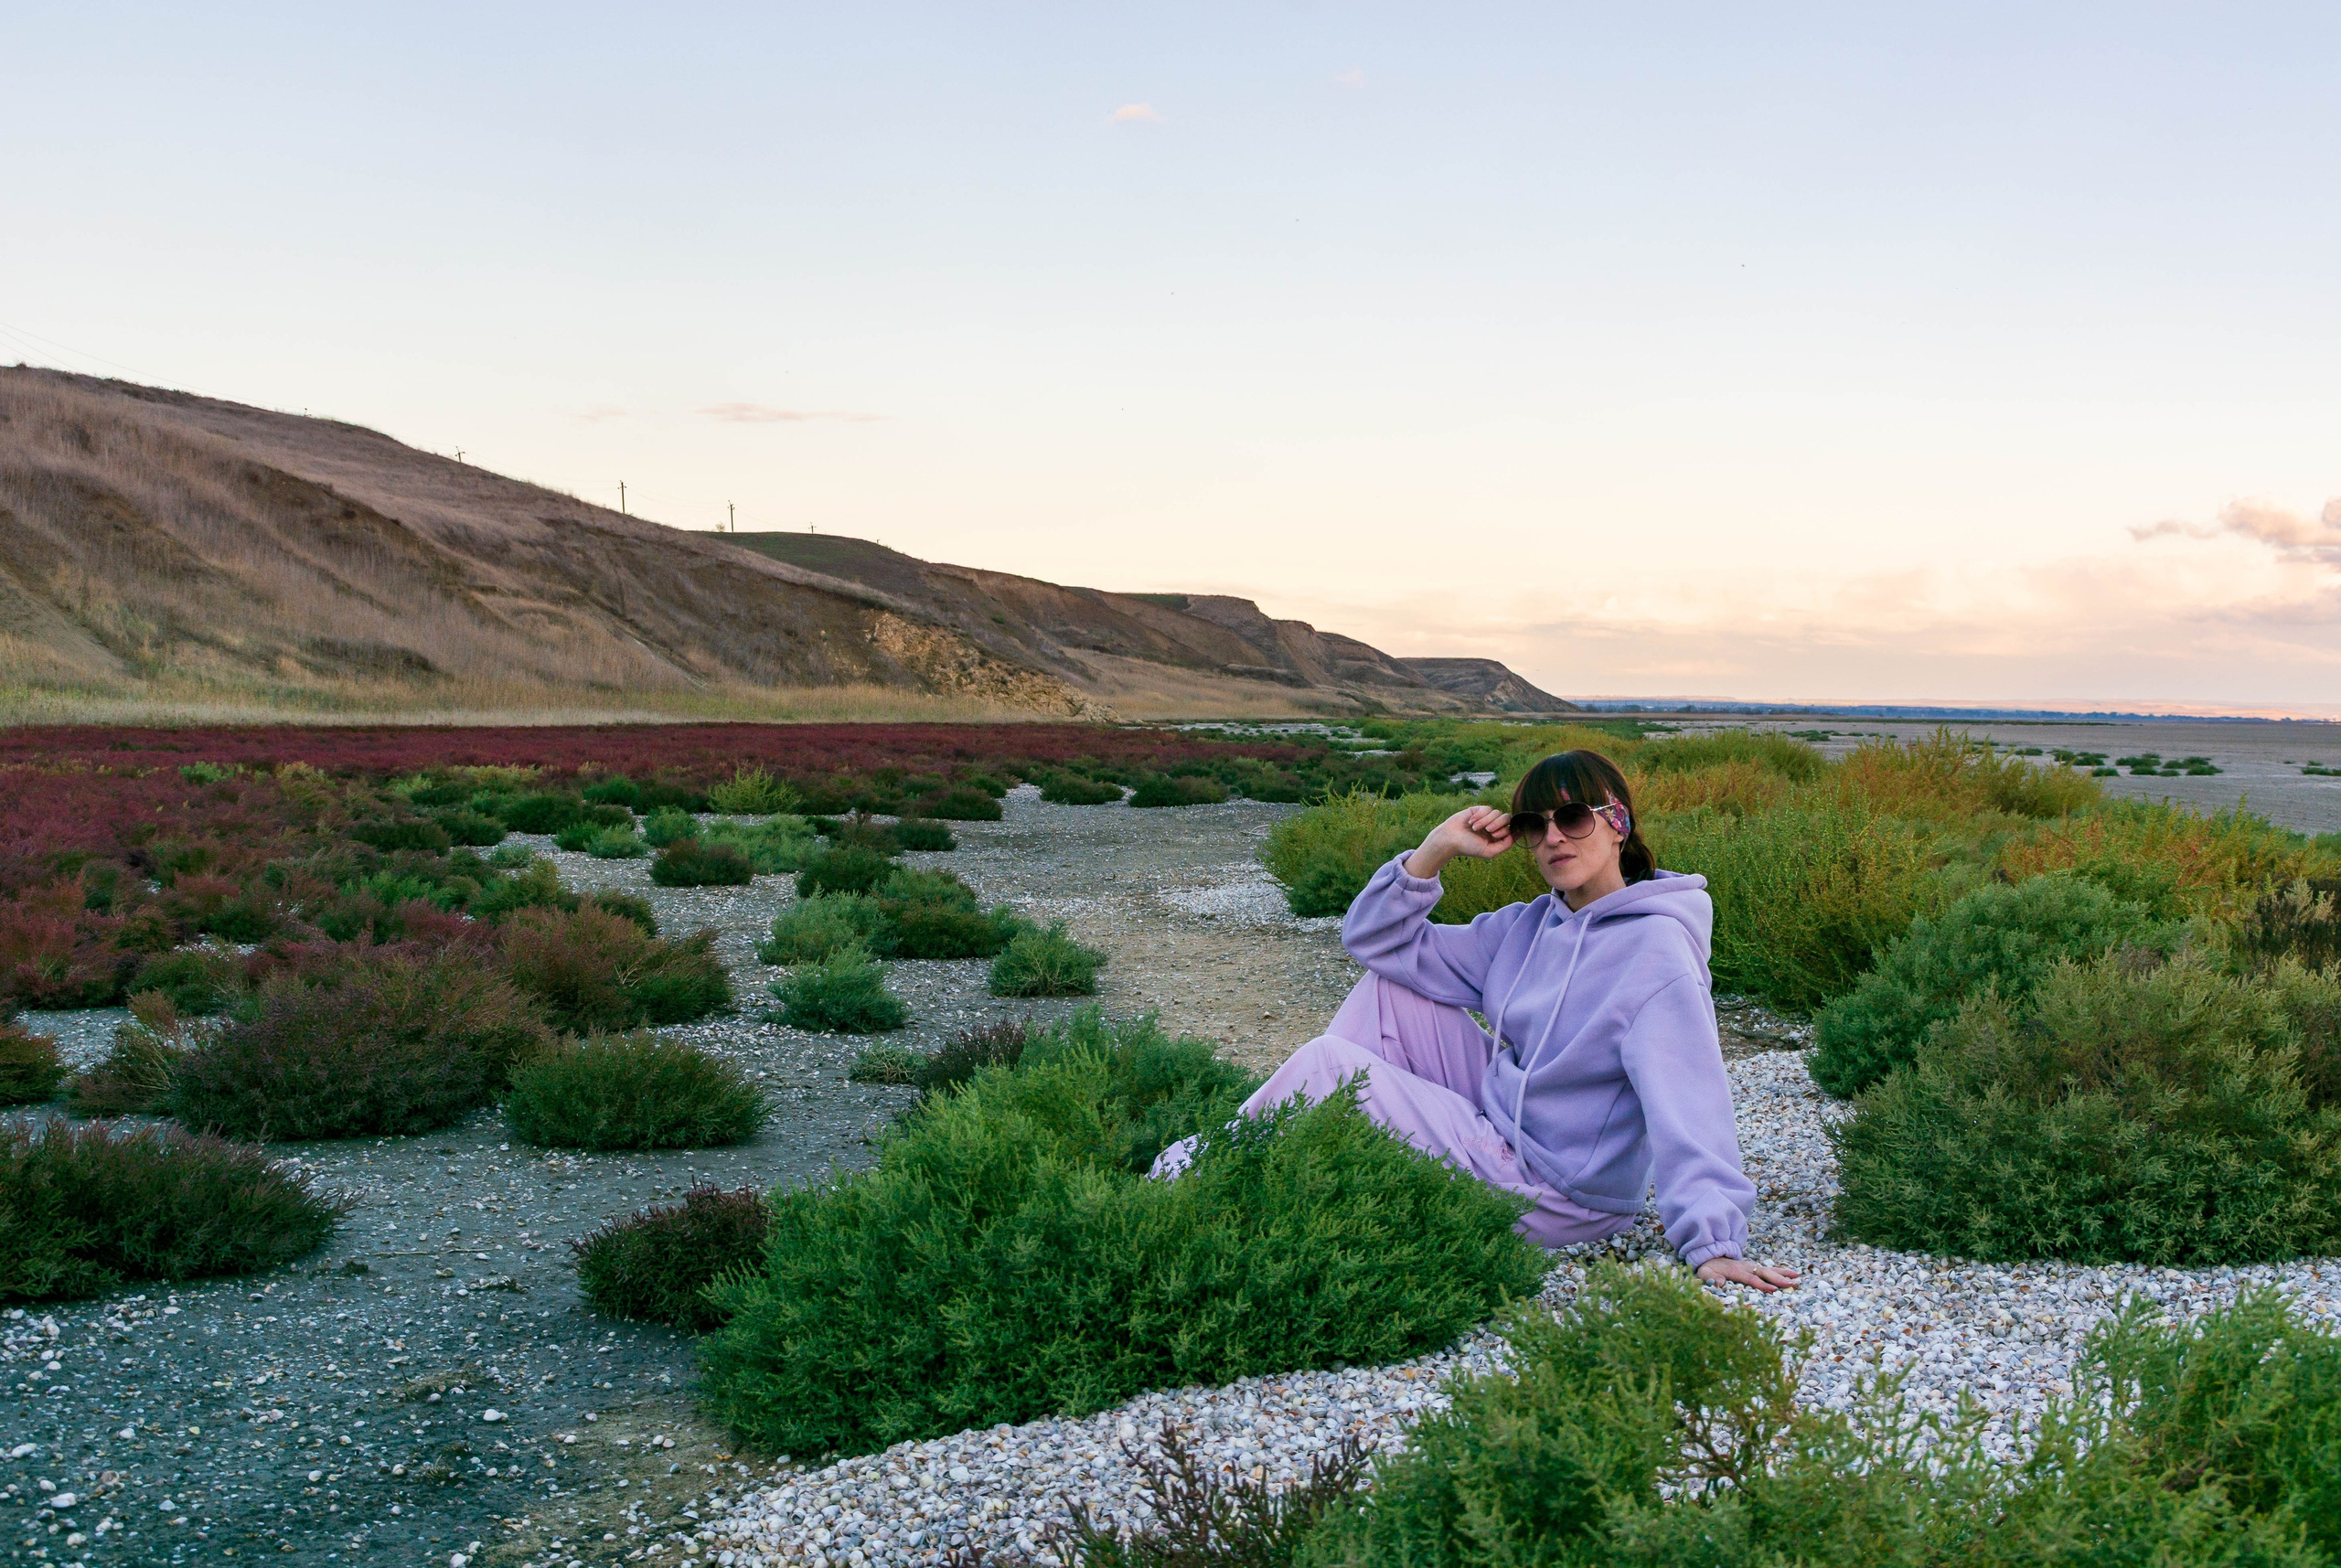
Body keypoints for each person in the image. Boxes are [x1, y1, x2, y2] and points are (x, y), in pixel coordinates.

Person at [1153, 749, 1798, 1293]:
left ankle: (1191, 1182)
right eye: (1532, 825)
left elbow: (1691, 1100)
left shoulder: (1654, 952)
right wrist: (1434, 850)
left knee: (1330, 1063)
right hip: (1502, 1130)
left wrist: (1713, 1242)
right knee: (1388, 992)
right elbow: (1377, 943)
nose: (1553, 838)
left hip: (1559, 1192)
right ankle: (1324, 1164)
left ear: (1617, 823)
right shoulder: (1530, 925)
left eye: (1572, 818)